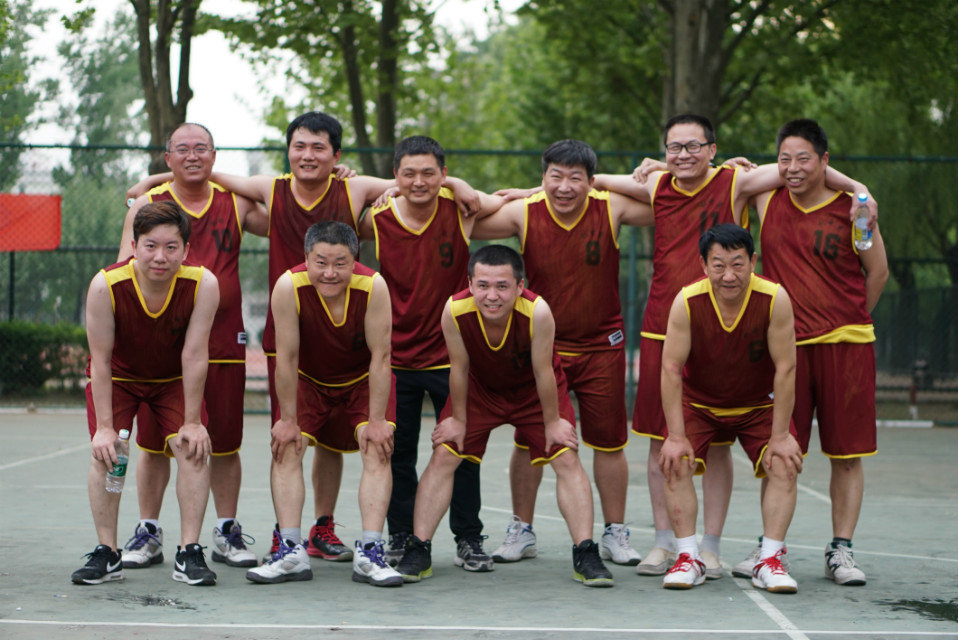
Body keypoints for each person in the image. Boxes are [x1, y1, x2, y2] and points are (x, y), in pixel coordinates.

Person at [593, 114, 876, 578]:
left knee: (733, 445)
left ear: (712, 149)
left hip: (740, 329)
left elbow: (797, 170)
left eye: (694, 146)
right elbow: (590, 182)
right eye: (674, 147)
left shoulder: (739, 183)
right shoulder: (660, 184)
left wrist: (859, 189)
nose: (684, 154)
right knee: (664, 441)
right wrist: (531, 190)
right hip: (665, 326)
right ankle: (666, 542)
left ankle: (714, 546)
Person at [472, 139, 652, 567]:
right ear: (543, 177)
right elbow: (468, 217)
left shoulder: (610, 207)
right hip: (541, 349)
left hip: (601, 346)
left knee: (609, 443)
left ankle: (615, 532)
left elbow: (669, 198)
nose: (565, 187)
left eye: (576, 178)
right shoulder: (524, 212)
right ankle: (521, 529)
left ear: (591, 181)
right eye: (556, 176)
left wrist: (641, 170)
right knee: (528, 441)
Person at [396, 245, 615, 587]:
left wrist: (552, 422)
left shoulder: (538, 312)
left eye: (502, 286)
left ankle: (585, 552)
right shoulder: (454, 310)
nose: (492, 295)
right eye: (483, 285)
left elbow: (543, 371)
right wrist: (458, 419)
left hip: (533, 392)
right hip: (481, 391)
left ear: (520, 286)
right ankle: (418, 549)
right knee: (444, 454)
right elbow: (459, 367)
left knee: (565, 456)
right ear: (470, 284)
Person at [740, 119, 888, 585]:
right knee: (779, 451)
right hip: (787, 353)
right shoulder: (767, 200)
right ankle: (770, 549)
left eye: (804, 158)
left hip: (846, 348)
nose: (792, 168)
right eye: (784, 158)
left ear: (825, 160)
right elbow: (739, 176)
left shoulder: (855, 211)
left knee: (847, 454)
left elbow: (878, 272)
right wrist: (856, 182)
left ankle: (841, 550)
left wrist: (850, 317)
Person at [117, 123, 267, 572]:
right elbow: (125, 266)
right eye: (182, 149)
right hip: (162, 345)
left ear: (215, 156)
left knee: (223, 442)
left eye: (201, 148)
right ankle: (148, 529)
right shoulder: (148, 205)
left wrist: (338, 181)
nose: (192, 156)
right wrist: (150, 185)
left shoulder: (236, 203)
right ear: (168, 158)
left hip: (221, 341)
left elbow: (287, 211)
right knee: (153, 444)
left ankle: (225, 529)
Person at [358, 135, 503, 570]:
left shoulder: (460, 210)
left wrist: (459, 185)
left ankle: (468, 537)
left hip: (452, 358)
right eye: (409, 174)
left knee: (462, 451)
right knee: (397, 454)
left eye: (429, 173)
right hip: (396, 358)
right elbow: (338, 204)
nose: (418, 182)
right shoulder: (377, 218)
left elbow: (496, 203)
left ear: (443, 174)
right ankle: (401, 535)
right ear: (395, 176)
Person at [246, 221, 403, 587]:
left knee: (378, 448)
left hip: (361, 380)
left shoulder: (373, 286)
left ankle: (370, 553)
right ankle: (290, 551)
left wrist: (376, 421)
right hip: (308, 380)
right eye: (321, 262)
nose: (330, 272)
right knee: (287, 446)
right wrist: (288, 419)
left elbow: (381, 357)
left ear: (354, 261)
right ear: (307, 259)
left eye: (340, 263)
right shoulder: (289, 286)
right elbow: (286, 357)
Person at [71, 201, 220, 586]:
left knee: (192, 447)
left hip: (172, 379)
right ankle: (108, 552)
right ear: (134, 246)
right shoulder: (105, 285)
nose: (160, 256)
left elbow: (194, 354)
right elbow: (100, 361)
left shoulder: (203, 284)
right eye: (151, 246)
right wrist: (105, 428)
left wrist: (192, 422)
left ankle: (189, 552)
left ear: (186, 250)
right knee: (108, 454)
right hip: (119, 377)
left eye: (171, 247)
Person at [658, 223, 803, 593]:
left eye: (738, 264)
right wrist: (675, 436)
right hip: (699, 403)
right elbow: (671, 368)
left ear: (753, 261)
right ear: (704, 265)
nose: (728, 275)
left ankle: (769, 559)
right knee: (675, 460)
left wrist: (781, 436)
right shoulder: (686, 301)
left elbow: (786, 368)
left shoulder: (774, 299)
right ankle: (688, 557)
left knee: (784, 461)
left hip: (757, 404)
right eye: (719, 265)